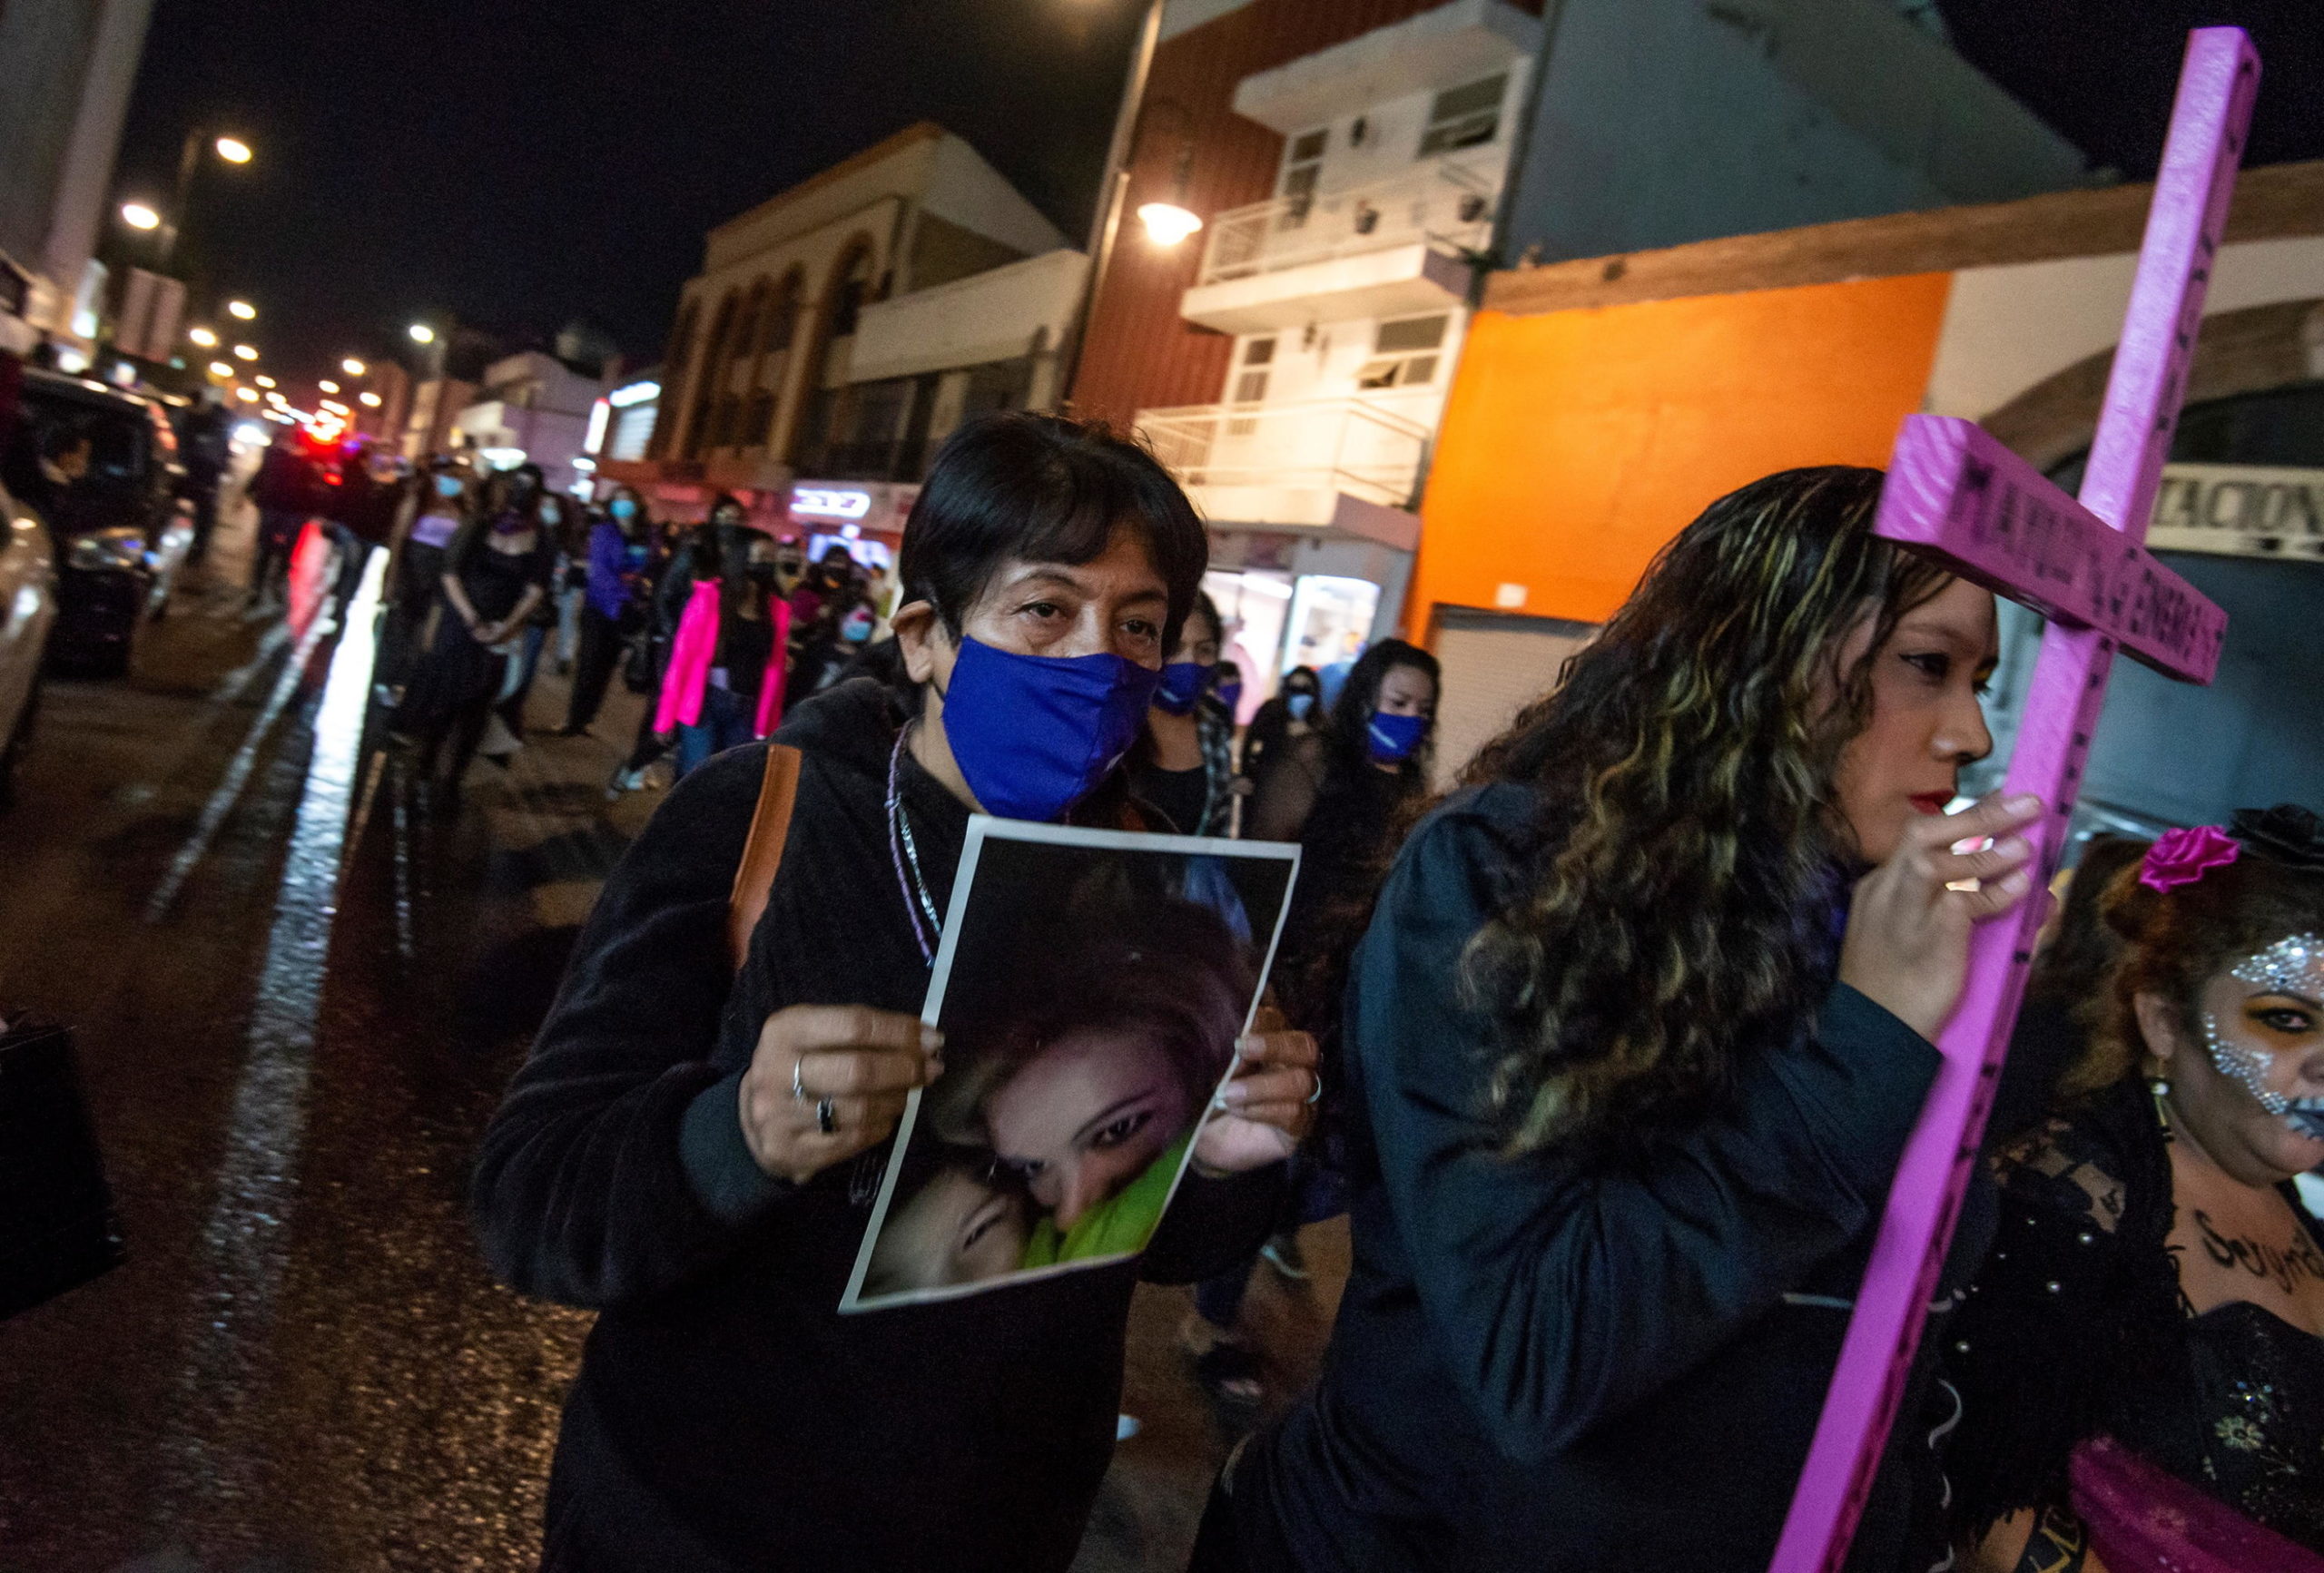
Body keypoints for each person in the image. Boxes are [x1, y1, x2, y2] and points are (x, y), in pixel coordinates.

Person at [472, 411, 1319, 1572]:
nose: (1095, 661)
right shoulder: (756, 817)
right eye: (1044, 609)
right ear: (925, 635)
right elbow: (531, 1198)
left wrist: (1224, 1159)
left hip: (995, 1529)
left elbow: (1136, 1238)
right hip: (694, 1522)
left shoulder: (1156, 885)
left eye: (1137, 626)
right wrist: (734, 1134)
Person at [1190, 465, 2045, 1573]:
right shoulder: (1508, 876)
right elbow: (1535, 1356)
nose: (1970, 731)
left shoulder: (1889, 922)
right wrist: (1866, 1037)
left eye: (1980, 678)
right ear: (1762, 657)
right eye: (1924, 666)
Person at [1945, 805, 2324, 1571]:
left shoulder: (2297, 1213)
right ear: (2161, 1021)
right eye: (2286, 1019)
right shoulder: (2067, 1197)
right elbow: (1971, 1491)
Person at [1184, 641, 1441, 1402]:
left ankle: (1280, 1231)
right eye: (1396, 702)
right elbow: (1263, 873)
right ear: (1364, 697)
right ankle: (1211, 1318)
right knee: (1265, 1149)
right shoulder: (1311, 765)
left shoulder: (1412, 785)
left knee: (1326, 1151)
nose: (1408, 720)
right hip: (1296, 981)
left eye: (1421, 709)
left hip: (1363, 988)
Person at [394, 469, 552, 807]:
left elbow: (536, 588)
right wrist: (472, 619)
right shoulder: (478, 525)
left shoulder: (541, 537)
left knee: (478, 708)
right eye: (515, 488)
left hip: (501, 633)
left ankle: (453, 779)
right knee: (447, 698)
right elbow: (451, 573)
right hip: (460, 624)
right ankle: (426, 764)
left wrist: (507, 626)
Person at [654, 506, 790, 779]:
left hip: (747, 709)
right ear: (742, 557)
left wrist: (768, 726)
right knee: (697, 777)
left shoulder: (777, 609)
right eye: (758, 555)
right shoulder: (710, 598)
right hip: (706, 702)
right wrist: (665, 718)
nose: (764, 563)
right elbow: (683, 659)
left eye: (769, 557)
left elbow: (775, 672)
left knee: (727, 782)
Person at [1129, 591, 1234, 836]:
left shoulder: (1214, 726)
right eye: (1175, 648)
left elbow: (1217, 828)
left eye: (1205, 650)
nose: (1191, 662)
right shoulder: (1114, 725)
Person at [559, 485, 658, 737]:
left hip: (628, 612)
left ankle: (588, 718)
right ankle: (575, 718)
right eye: (618, 501)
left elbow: (650, 571)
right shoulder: (604, 532)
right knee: (589, 665)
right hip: (600, 609)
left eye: (628, 500)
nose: (623, 506)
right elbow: (600, 574)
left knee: (607, 668)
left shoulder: (648, 536)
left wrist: (640, 600)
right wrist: (624, 599)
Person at [382, 458, 470, 689]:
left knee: (425, 631)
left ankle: (409, 680)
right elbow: (398, 540)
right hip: (413, 568)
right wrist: (391, 580)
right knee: (402, 625)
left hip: (439, 573)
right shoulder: (420, 500)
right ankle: (391, 678)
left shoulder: (461, 509)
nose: (452, 482)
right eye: (448, 476)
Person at [246, 428, 320, 608]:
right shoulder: (280, 456)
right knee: (270, 550)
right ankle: (261, 586)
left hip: (287, 510)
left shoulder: (303, 461)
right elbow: (264, 474)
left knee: (278, 550)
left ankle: (266, 585)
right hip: (280, 509)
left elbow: (311, 488)